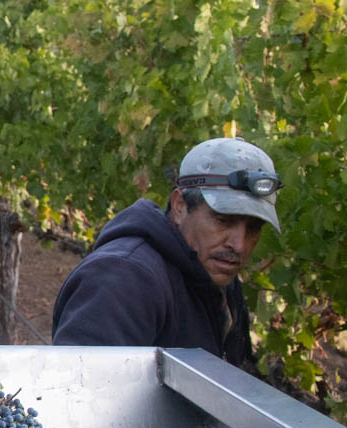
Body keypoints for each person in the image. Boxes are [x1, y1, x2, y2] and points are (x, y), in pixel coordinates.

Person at [50, 137, 282, 365]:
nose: (239, 245)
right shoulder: (122, 280)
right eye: (223, 220)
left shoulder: (212, 274)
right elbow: (79, 391)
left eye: (253, 228)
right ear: (180, 205)